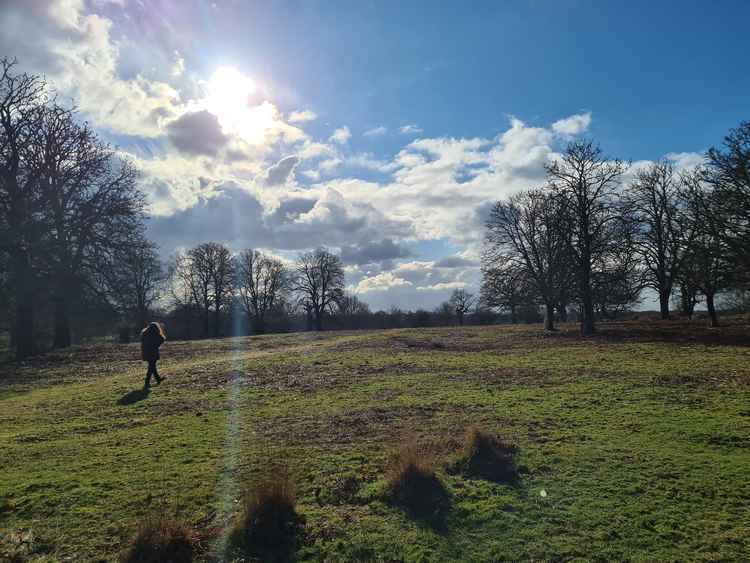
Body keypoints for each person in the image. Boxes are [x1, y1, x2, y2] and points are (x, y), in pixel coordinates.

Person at [140, 322, 166, 388]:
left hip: (146, 352)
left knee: (152, 366)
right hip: (153, 352)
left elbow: (142, 343)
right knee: (151, 367)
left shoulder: (144, 333)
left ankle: (158, 379)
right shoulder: (155, 333)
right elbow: (162, 339)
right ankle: (147, 381)